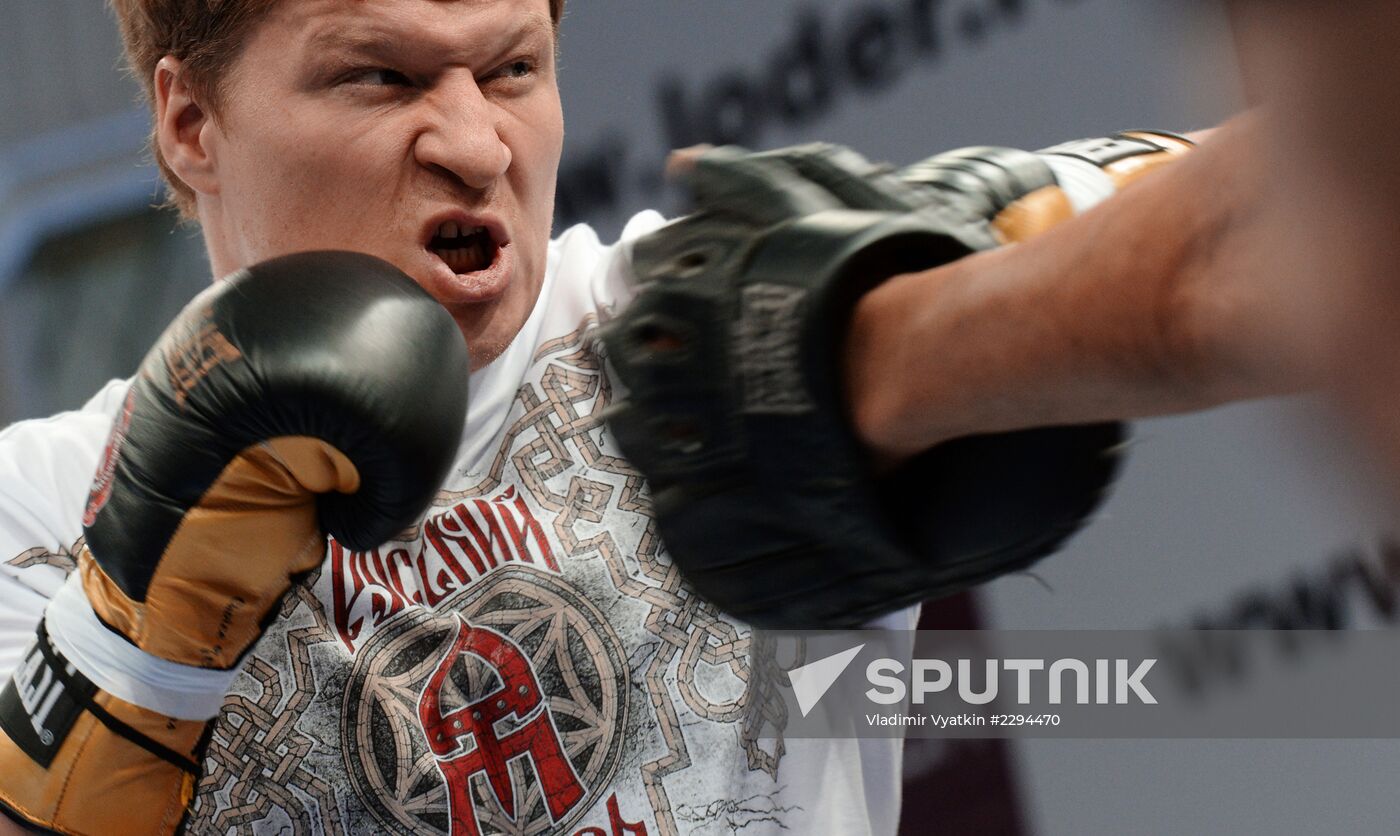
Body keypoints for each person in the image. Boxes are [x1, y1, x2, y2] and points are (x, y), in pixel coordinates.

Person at [0, 1, 1394, 835]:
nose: (477, 144)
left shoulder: (711, 334)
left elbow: (1306, 213)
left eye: (513, 69)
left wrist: (946, 302)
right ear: (190, 120)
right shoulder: (34, 516)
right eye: (381, 76)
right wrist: (135, 635)